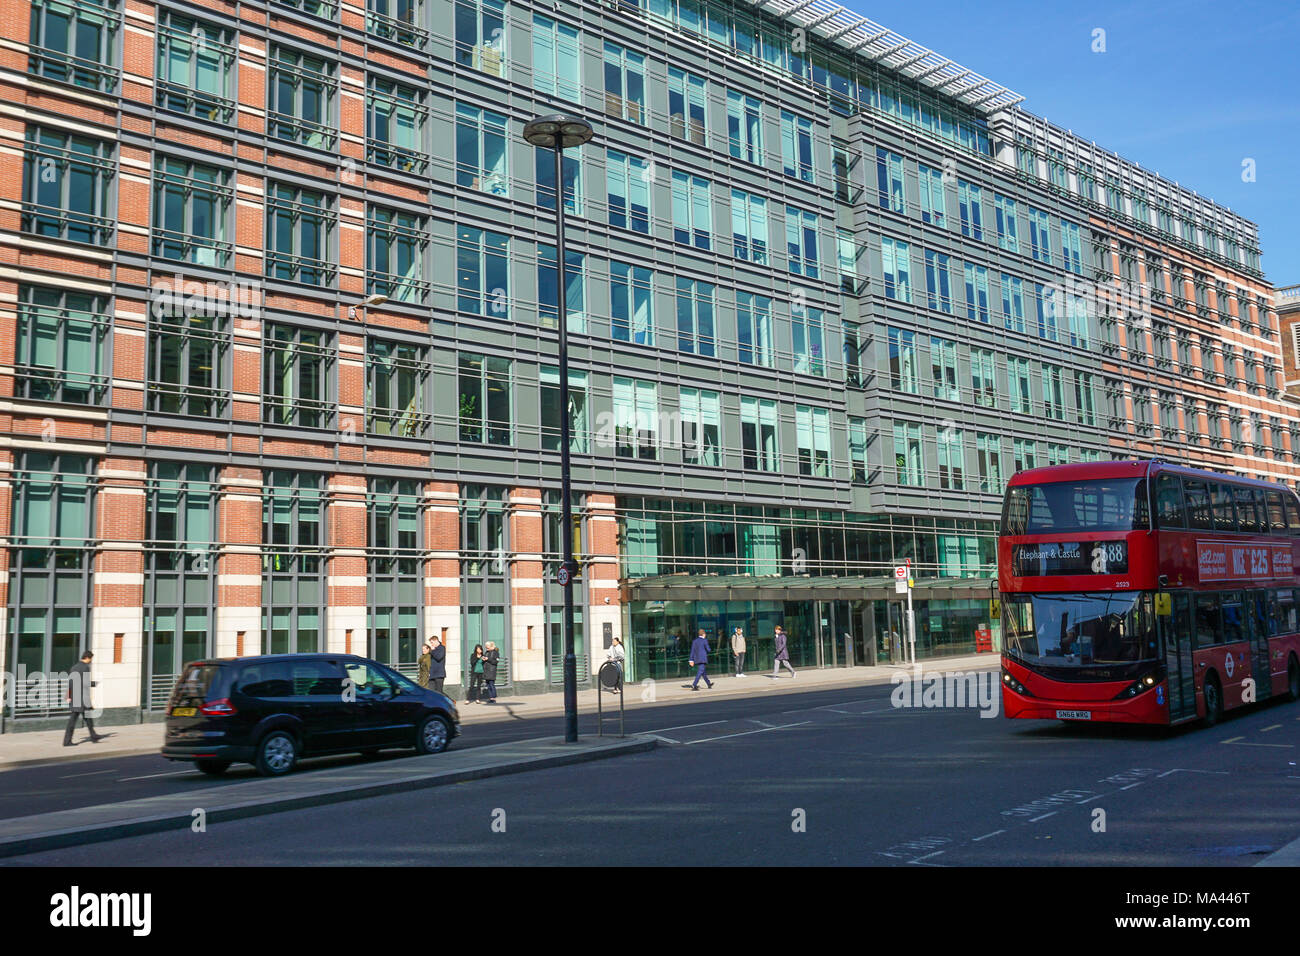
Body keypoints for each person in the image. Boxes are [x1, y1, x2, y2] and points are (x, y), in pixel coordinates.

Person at [63, 651, 103, 747]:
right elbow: (85, 683)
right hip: (82, 698)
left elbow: (70, 683)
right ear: (87, 658)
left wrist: (68, 695)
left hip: (75, 697)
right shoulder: (85, 667)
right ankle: (67, 741)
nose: (90, 661)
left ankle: (93, 735)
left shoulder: (74, 667)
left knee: (87, 717)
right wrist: (94, 684)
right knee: (73, 721)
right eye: (91, 659)